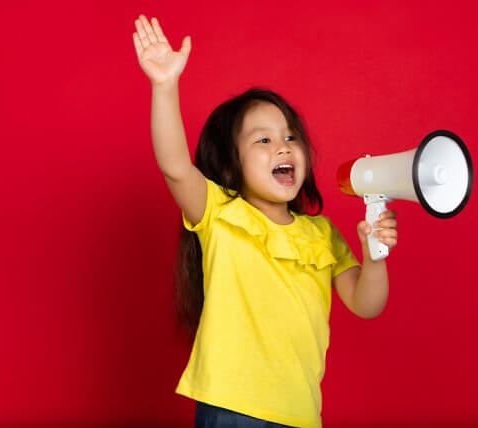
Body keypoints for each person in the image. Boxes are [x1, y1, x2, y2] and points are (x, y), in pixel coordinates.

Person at [132, 14, 398, 428]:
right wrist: (165, 87)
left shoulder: (321, 234)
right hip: (234, 407)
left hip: (301, 413)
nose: (283, 147)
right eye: (263, 139)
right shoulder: (220, 212)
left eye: (291, 137)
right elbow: (174, 167)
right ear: (230, 162)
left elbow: (366, 304)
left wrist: (374, 258)